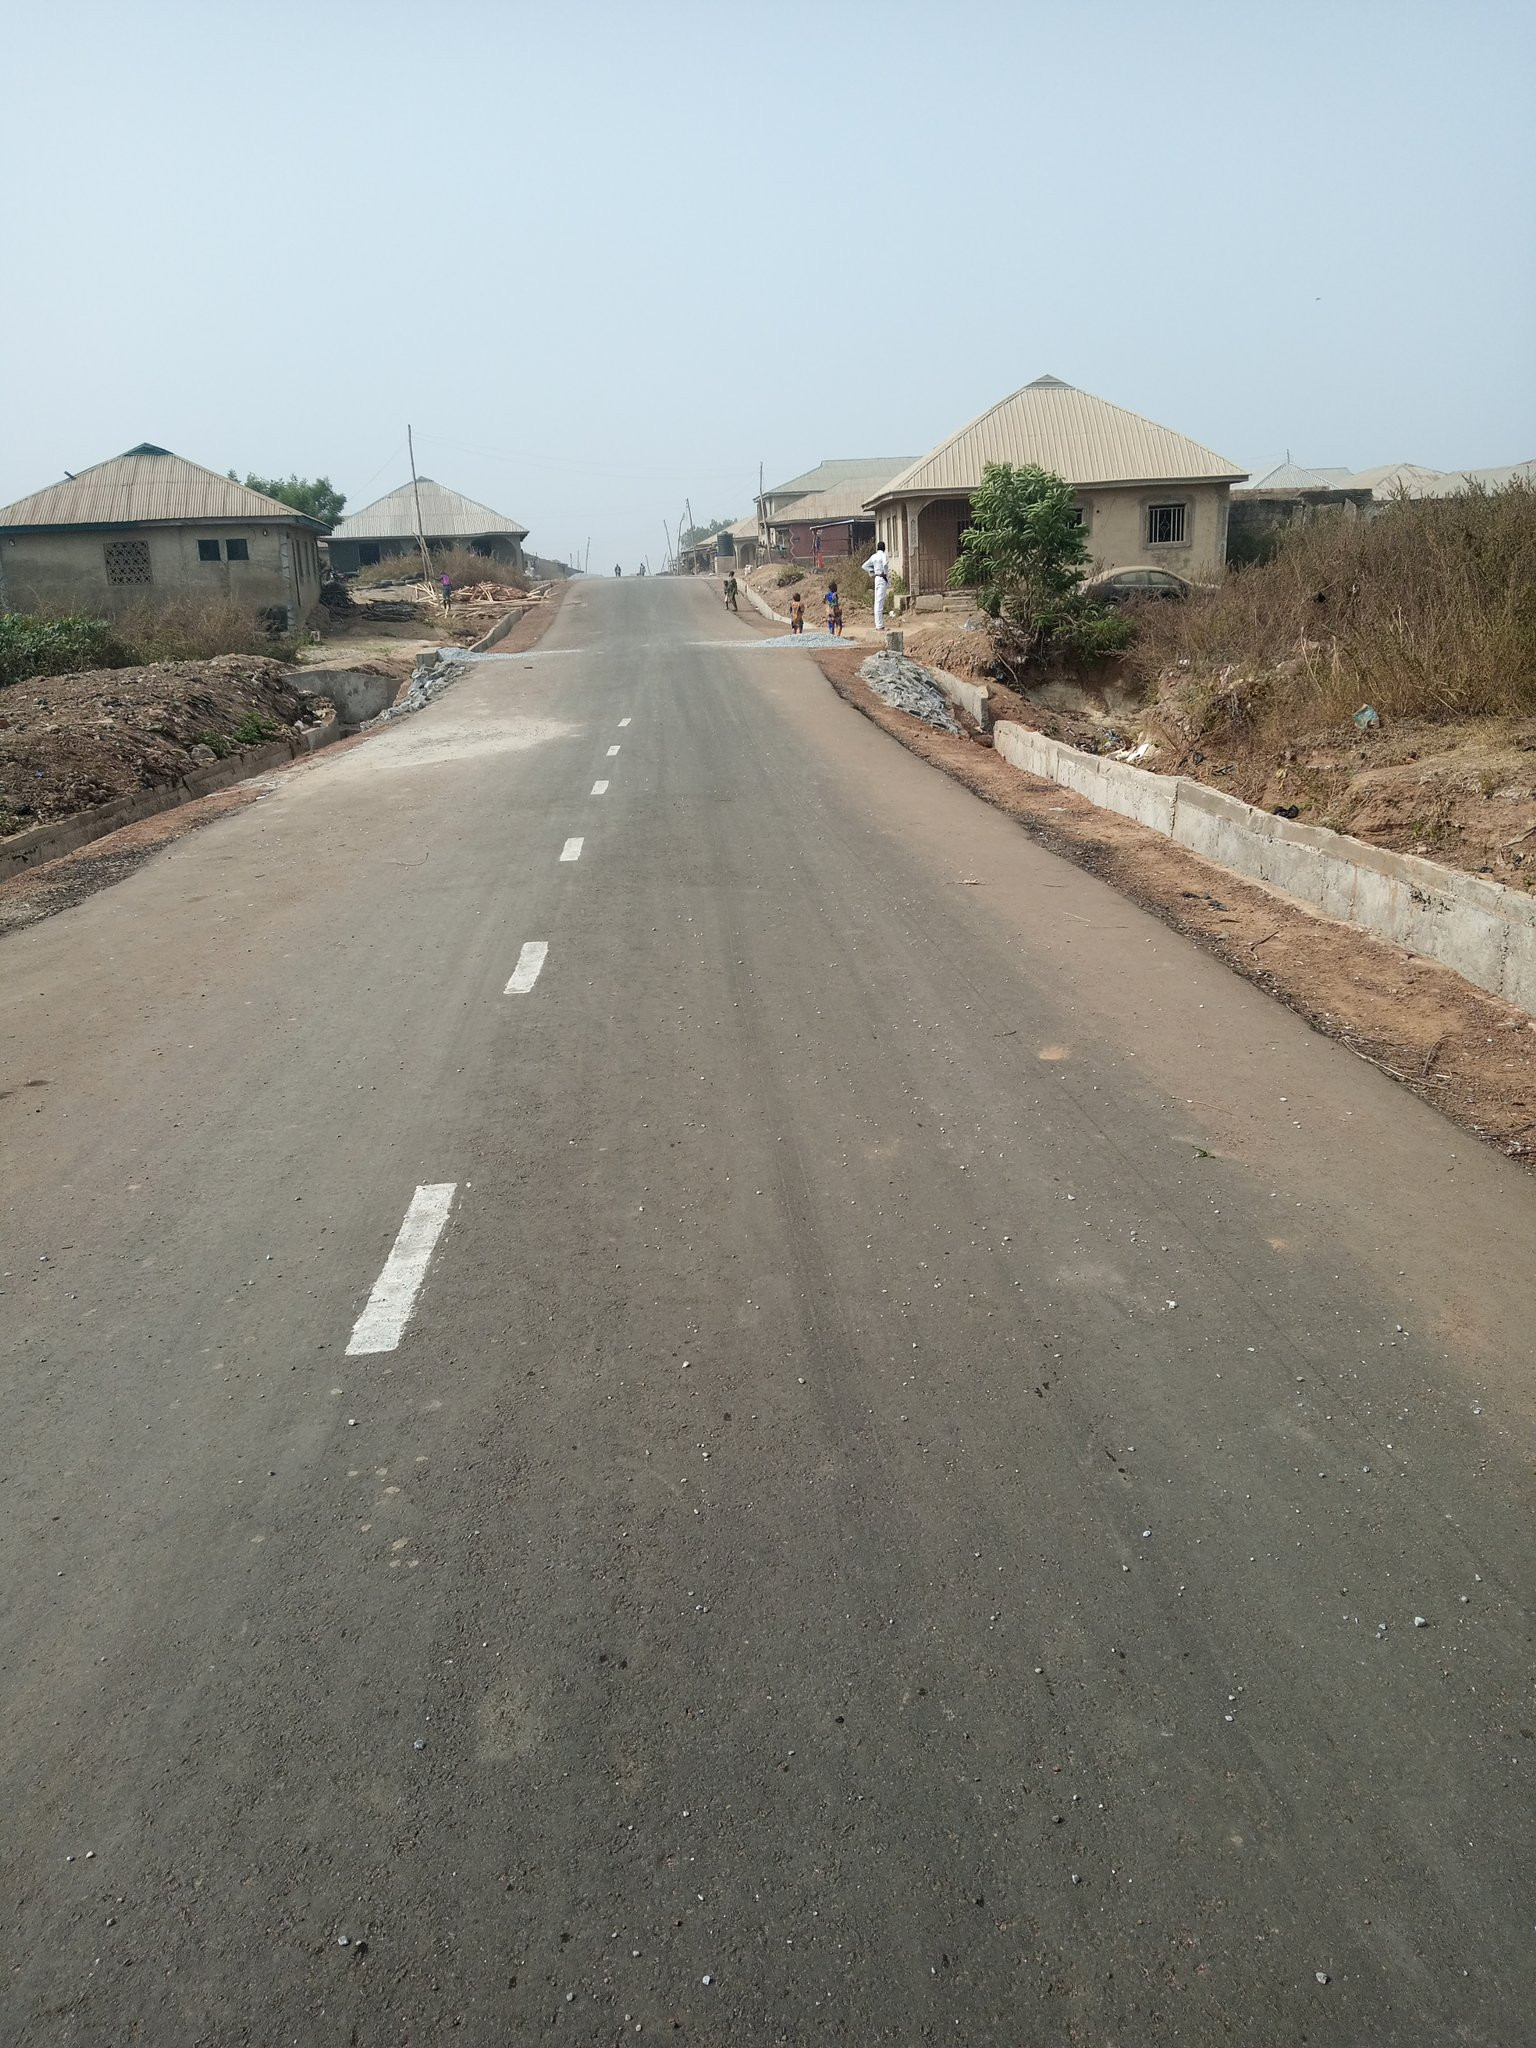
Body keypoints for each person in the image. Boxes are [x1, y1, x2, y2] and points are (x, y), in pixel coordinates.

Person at [862, 539, 891, 630]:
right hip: (882, 578)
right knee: (880, 602)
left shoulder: (874, 556)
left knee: (877, 601)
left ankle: (878, 624)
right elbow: (885, 564)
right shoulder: (883, 555)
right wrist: (884, 572)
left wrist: (872, 572)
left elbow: (864, 566)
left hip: (877, 578)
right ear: (884, 548)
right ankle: (879, 625)